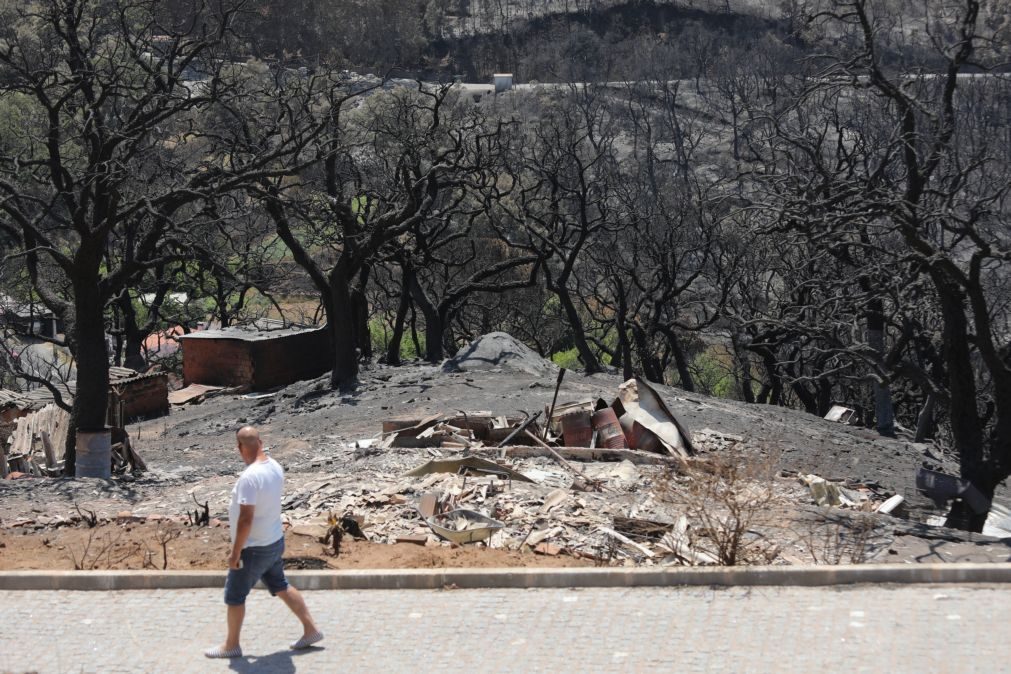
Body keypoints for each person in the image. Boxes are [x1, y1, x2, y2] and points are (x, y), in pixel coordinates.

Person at [205, 426, 324, 658]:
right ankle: (311, 629)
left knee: (234, 595)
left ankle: (231, 645)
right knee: (280, 585)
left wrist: (235, 551)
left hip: (254, 547)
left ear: (240, 448)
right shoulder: (275, 466)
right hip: (273, 540)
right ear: (260, 442)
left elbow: (246, 519)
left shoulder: (249, 478)